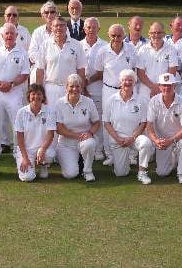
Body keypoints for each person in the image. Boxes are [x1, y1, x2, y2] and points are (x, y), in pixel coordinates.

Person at [94, 24, 137, 165]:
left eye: (119, 35)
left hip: (128, 90)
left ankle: (131, 155)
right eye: (113, 35)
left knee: (130, 120)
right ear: (108, 35)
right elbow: (99, 73)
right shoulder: (102, 51)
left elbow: (136, 70)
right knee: (108, 122)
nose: (116, 38)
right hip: (109, 90)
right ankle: (110, 155)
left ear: (124, 35)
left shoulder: (131, 49)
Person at [103, 70, 154, 184]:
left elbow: (143, 123)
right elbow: (106, 123)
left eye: (130, 80)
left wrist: (132, 137)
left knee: (146, 143)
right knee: (121, 173)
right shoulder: (111, 100)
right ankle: (123, 164)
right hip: (118, 140)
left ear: (135, 82)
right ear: (120, 82)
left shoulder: (141, 100)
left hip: (135, 138)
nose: (127, 82)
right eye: (124, 80)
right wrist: (117, 138)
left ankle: (142, 173)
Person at [0, 23, 30, 149]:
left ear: (16, 35)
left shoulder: (22, 53)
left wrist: (11, 84)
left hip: (14, 93)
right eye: (7, 33)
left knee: (17, 123)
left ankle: (19, 150)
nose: (9, 35)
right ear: (2, 35)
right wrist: (0, 84)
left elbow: (25, 74)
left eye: (12, 33)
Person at [146, 73, 182, 184]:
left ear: (174, 87)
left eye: (169, 85)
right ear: (160, 86)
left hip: (178, 138)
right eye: (164, 85)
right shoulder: (153, 101)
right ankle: (175, 159)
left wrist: (171, 141)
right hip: (162, 141)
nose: (167, 88)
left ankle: (181, 173)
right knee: (162, 173)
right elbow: (149, 124)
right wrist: (156, 140)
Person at [55, 74, 100, 182]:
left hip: (85, 140)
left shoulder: (89, 102)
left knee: (90, 143)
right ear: (66, 87)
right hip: (66, 143)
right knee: (70, 174)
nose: (74, 89)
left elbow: (96, 122)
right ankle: (72, 158)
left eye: (77, 86)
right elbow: (59, 129)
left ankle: (87, 171)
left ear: (81, 88)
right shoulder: (59, 103)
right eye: (71, 86)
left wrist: (90, 133)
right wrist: (77, 136)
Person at [35, 16, 86, 105]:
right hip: (50, 89)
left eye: (62, 25)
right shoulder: (45, 45)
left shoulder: (77, 45)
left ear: (66, 27)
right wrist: (40, 93)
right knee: (51, 118)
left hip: (71, 88)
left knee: (69, 118)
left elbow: (81, 70)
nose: (59, 28)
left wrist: (80, 90)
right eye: (56, 26)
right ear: (51, 28)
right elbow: (40, 71)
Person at [14, 84, 56, 182]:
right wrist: (25, 157)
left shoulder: (50, 111)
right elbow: (19, 137)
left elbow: (51, 134)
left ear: (43, 96)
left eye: (39, 94)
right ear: (29, 96)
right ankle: (27, 162)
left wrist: (42, 149)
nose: (36, 97)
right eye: (33, 94)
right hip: (26, 150)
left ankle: (43, 165)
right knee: (27, 178)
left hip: (43, 149)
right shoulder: (21, 112)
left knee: (50, 154)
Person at [81, 17, 108, 160]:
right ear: (84, 29)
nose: (91, 30)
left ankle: (98, 149)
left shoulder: (105, 46)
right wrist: (83, 87)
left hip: (98, 90)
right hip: (81, 91)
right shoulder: (78, 45)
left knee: (98, 120)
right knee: (84, 120)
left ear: (99, 29)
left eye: (94, 27)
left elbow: (104, 71)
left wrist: (89, 81)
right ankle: (85, 147)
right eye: (88, 27)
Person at [136, 21, 179, 101]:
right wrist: (152, 87)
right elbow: (140, 73)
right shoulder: (143, 50)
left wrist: (159, 87)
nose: (156, 35)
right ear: (149, 34)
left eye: (159, 33)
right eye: (153, 33)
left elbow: (172, 72)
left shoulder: (171, 49)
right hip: (145, 90)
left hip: (164, 89)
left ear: (164, 34)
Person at [28, 1, 59, 83]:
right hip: (38, 69)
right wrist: (45, 60)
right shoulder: (37, 32)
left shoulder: (64, 31)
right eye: (46, 12)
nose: (49, 15)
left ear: (56, 14)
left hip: (55, 69)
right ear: (42, 15)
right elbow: (31, 53)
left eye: (52, 12)